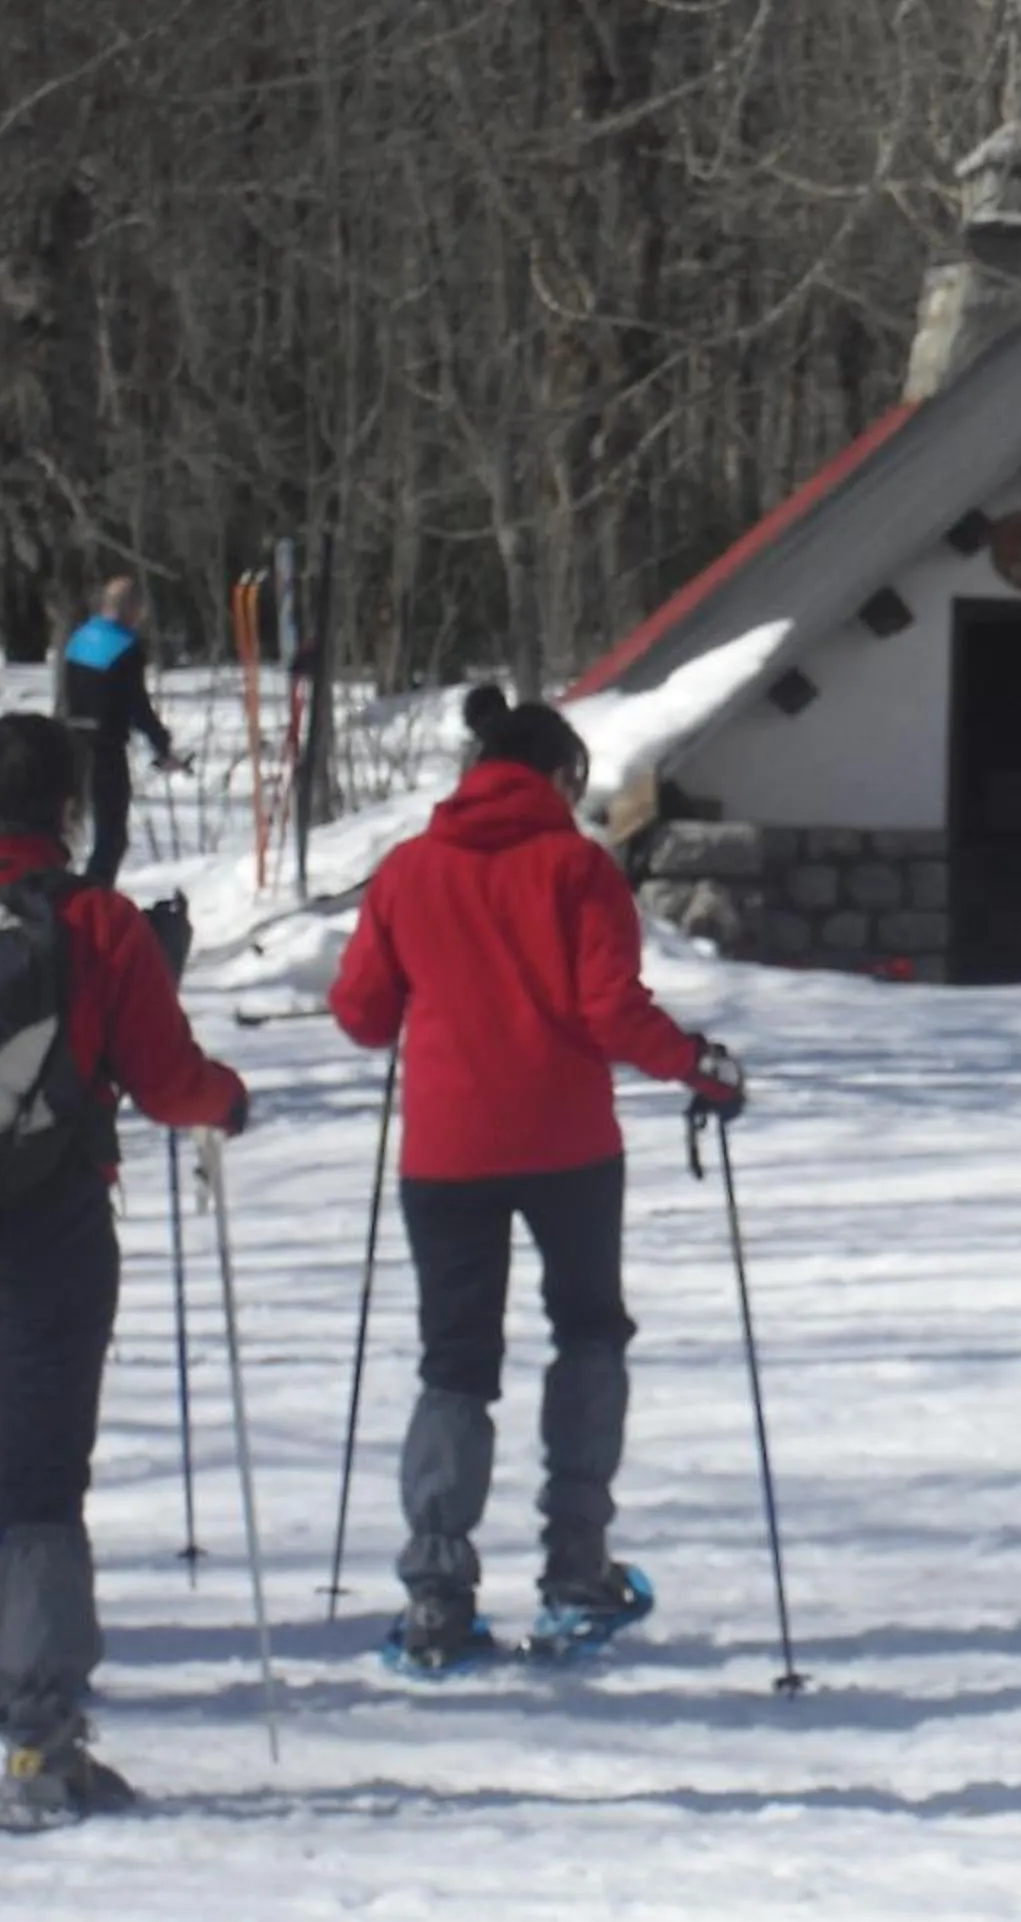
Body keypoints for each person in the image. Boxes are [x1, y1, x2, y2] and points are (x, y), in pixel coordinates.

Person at [0, 714, 248, 1820]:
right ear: (69, 809)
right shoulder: (95, 920)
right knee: (37, 1478)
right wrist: (229, 1099)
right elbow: (168, 1083)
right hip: (48, 1231)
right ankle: (37, 1736)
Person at [329, 687, 749, 1671]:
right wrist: (696, 1064)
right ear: (560, 776)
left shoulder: (408, 869)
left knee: (455, 1363)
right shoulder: (577, 868)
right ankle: (574, 1570)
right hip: (566, 1143)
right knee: (589, 1334)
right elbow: (608, 1009)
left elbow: (359, 1013)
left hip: (447, 1148)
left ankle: (436, 1592)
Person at [60, 577, 185, 892]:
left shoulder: (79, 638)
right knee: (111, 836)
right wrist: (162, 746)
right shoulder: (126, 647)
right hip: (105, 748)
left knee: (62, 831)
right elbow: (136, 705)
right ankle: (93, 903)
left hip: (69, 744)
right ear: (133, 608)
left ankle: (55, 896)